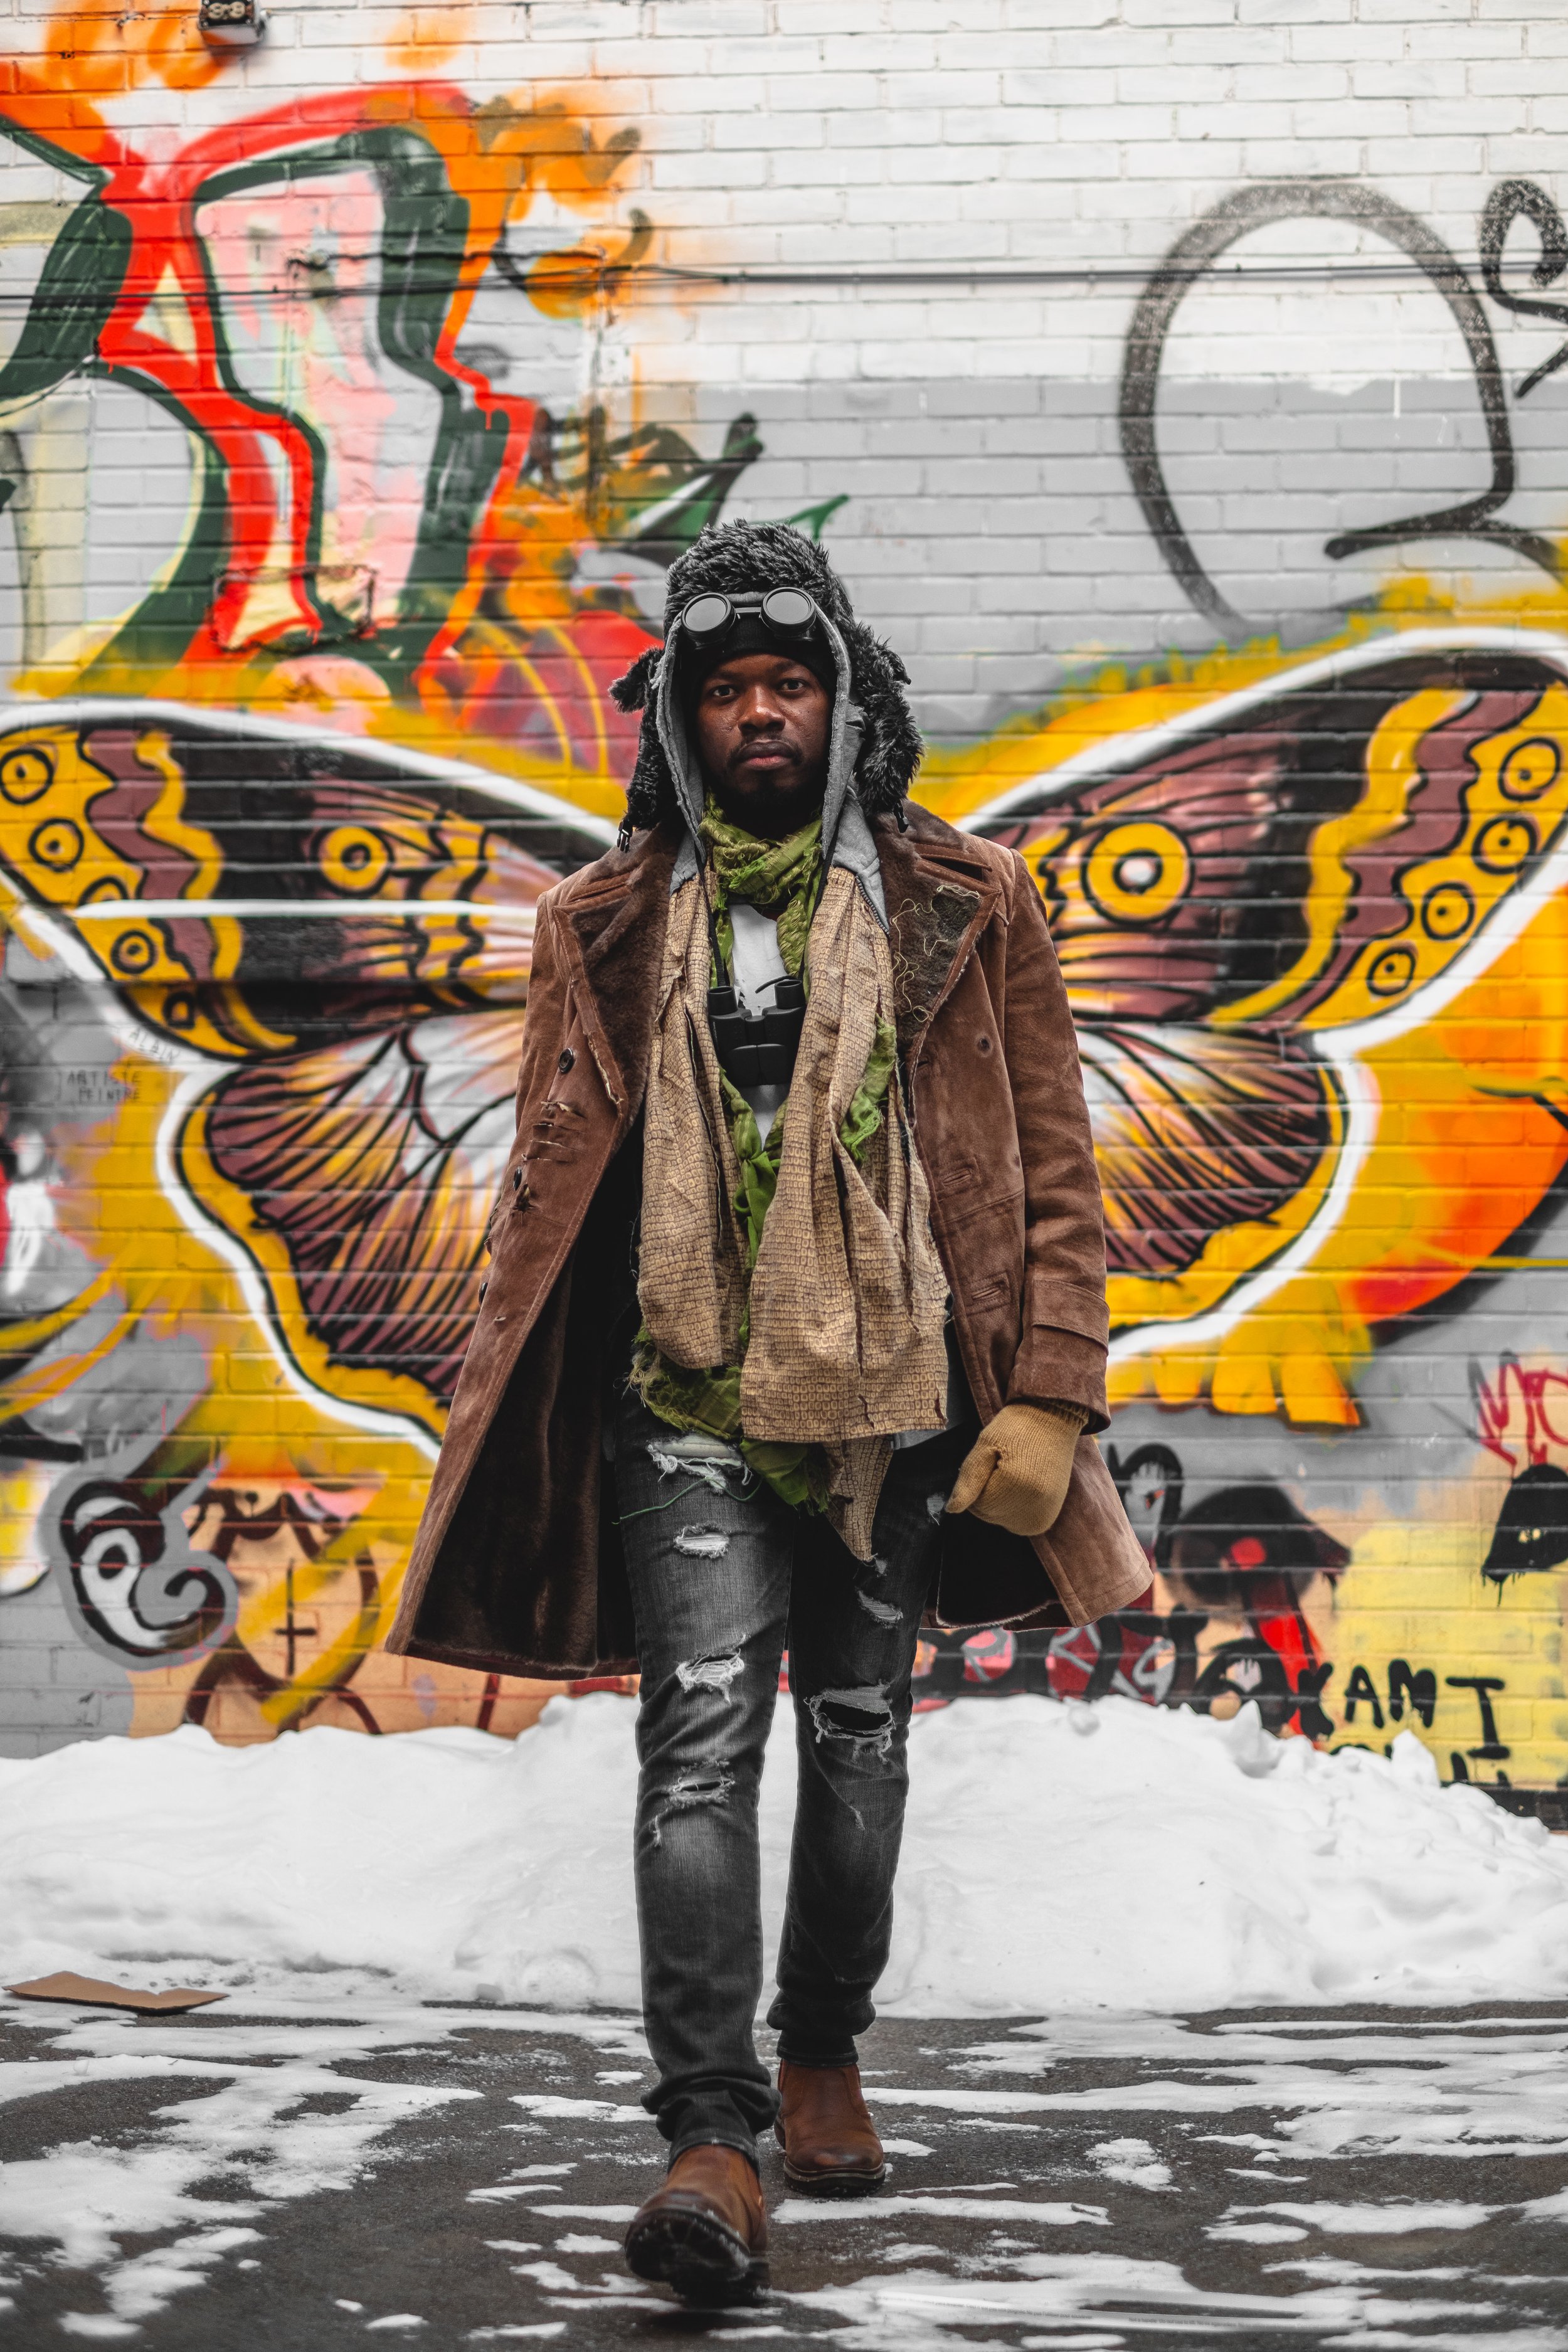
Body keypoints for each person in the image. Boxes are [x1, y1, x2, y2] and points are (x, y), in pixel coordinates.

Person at [387, 522, 1148, 2308]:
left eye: (785, 683)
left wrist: (1047, 1389)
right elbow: (546, 1181)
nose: (756, 715)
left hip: (898, 1401)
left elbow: (1048, 1166)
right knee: (700, 1746)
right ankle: (710, 2133)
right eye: (721, 689)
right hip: (682, 1394)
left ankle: (823, 2050)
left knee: (865, 1740)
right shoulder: (605, 922)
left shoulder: (971, 901)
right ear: (674, 719)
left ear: (844, 702)